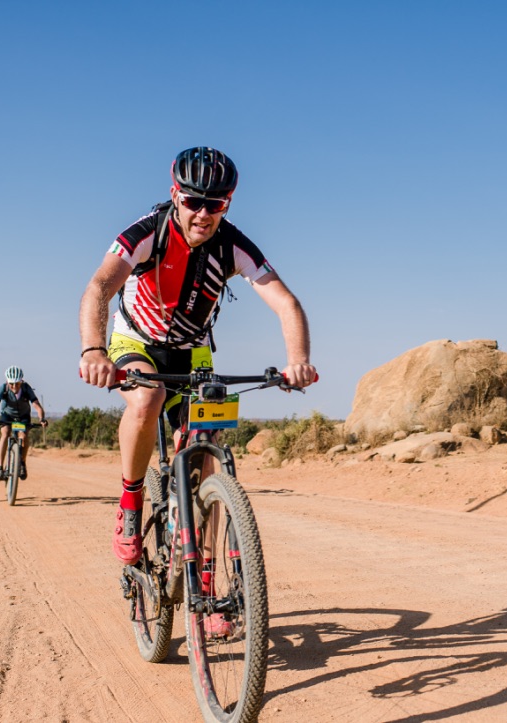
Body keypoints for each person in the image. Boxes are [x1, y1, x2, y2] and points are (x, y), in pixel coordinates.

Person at [78, 146, 317, 565]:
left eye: (216, 204)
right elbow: (99, 287)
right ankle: (131, 501)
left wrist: (298, 360)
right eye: (193, 202)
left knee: (206, 448)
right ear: (175, 195)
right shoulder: (148, 231)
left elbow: (286, 303)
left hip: (193, 350)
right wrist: (95, 351)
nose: (203, 214)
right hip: (136, 341)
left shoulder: (232, 244)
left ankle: (204, 576)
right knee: (147, 398)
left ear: (228, 204)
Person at [0, 366, 47, 480]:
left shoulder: (26, 389)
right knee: (5, 433)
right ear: (7, 382)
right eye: (11, 384)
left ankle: (22, 463)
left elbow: (37, 406)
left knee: (23, 436)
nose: (14, 387)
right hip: (7, 416)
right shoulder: (3, 388)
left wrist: (42, 418)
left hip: (23, 417)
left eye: (17, 384)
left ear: (21, 381)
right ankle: (0, 467)